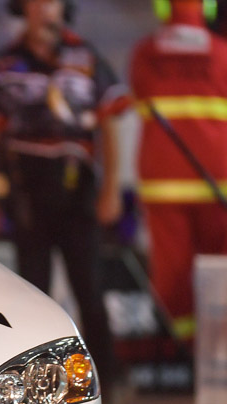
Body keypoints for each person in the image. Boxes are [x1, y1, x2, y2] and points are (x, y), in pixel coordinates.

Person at [0, 0, 130, 384]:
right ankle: (35, 381)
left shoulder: (87, 57)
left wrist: (111, 190)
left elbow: (110, 128)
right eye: (36, 2)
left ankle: (106, 380)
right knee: (32, 292)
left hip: (79, 191)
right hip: (26, 193)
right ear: (22, 9)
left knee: (89, 288)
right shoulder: (4, 65)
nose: (45, 10)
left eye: (53, 2)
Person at [130, 0, 227, 344]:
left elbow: (139, 95)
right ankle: (217, 349)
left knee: (171, 275)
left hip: (163, 182)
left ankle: (181, 348)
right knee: (219, 271)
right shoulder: (222, 53)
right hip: (217, 180)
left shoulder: (144, 54)